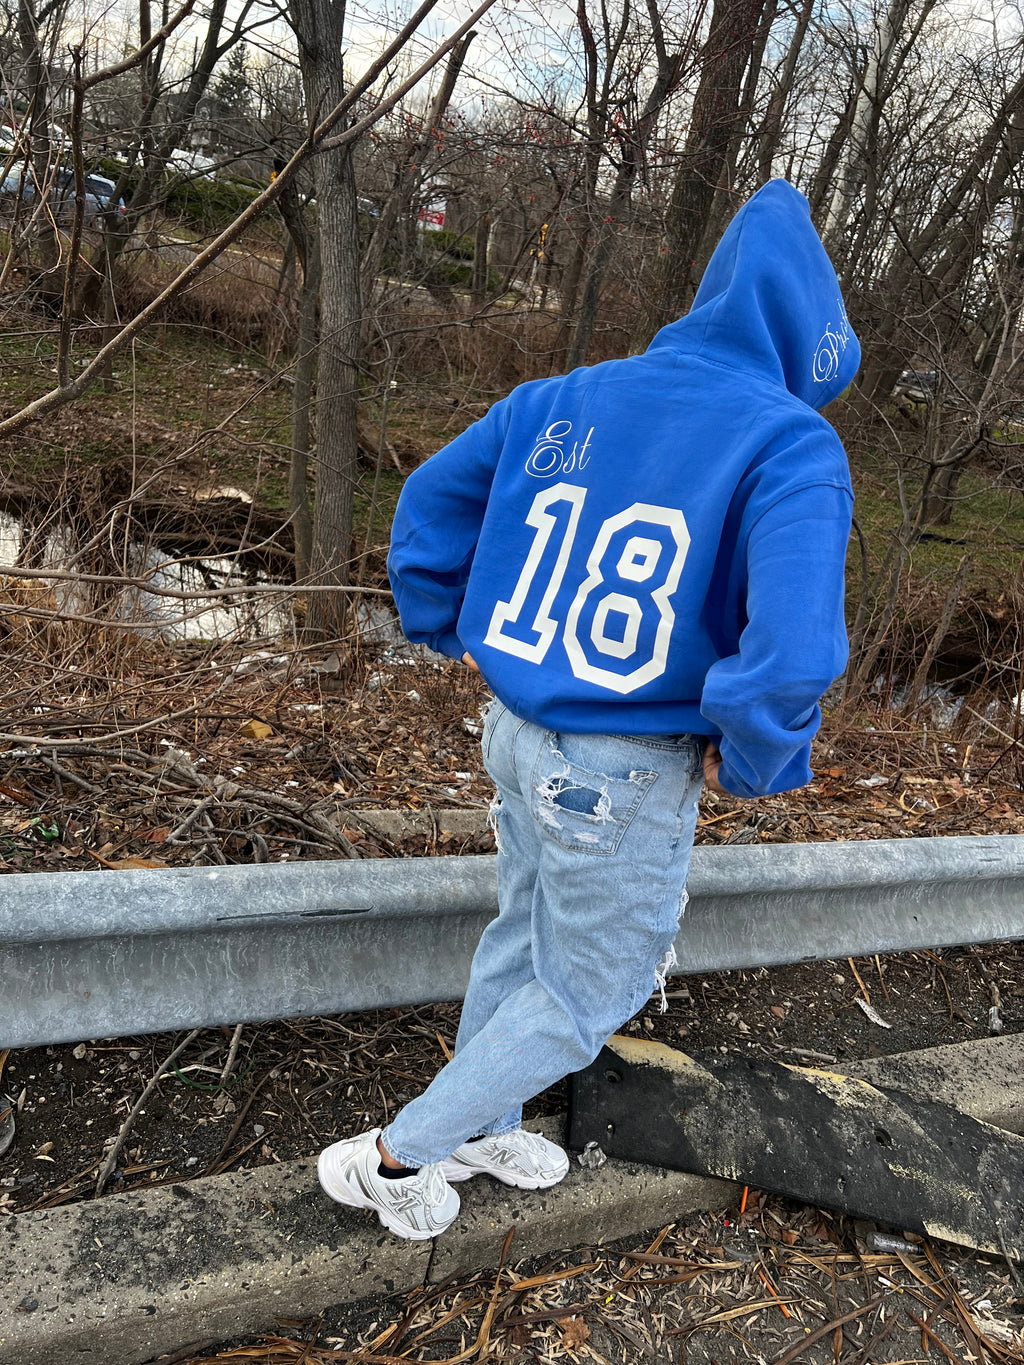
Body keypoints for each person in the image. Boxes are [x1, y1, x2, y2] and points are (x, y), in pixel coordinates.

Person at [317, 179, 860, 1240]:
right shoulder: (790, 443)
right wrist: (755, 758)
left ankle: (481, 1127)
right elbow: (793, 653)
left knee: (523, 935)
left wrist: (445, 619)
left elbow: (429, 501)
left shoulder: (562, 397)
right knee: (586, 993)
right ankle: (395, 1160)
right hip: (621, 769)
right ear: (815, 339)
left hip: (518, 735)